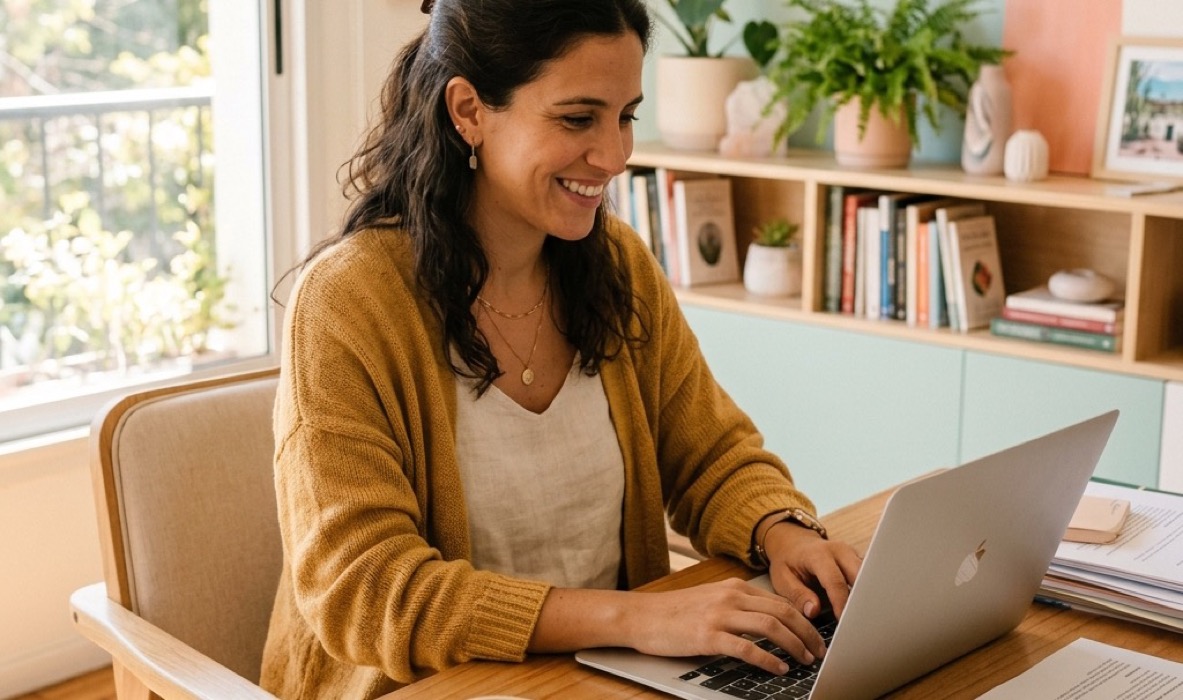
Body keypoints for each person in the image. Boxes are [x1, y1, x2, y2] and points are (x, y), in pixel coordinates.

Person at [260, 1, 862, 697]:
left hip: (612, 676)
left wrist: (782, 532)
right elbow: (364, 588)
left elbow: (710, 454)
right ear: (468, 111)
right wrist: (632, 618)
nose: (613, 156)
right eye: (578, 119)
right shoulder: (349, 302)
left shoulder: (616, 266)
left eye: (626, 116)